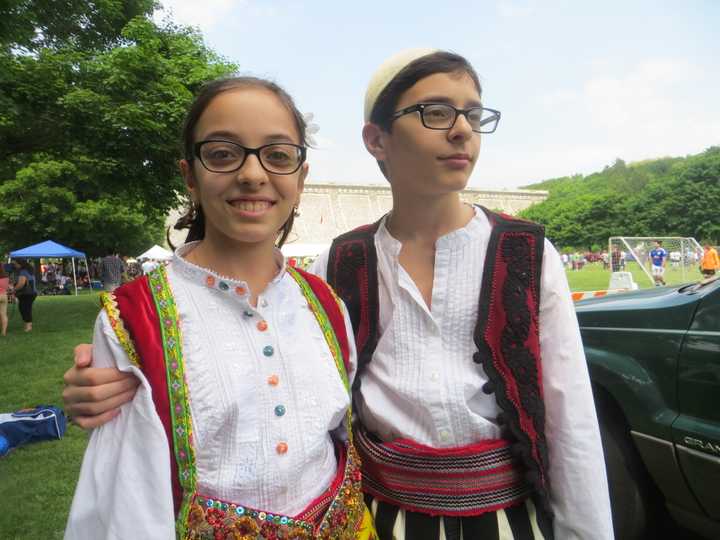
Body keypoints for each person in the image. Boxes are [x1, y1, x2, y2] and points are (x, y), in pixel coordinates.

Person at [64, 50, 613, 539]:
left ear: (300, 175)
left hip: (503, 518)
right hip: (384, 512)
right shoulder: (340, 266)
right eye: (437, 113)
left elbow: (572, 421)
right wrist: (109, 381)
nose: (462, 130)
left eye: (474, 114)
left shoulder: (525, 254)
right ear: (376, 139)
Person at [64, 76, 375, 540]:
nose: (253, 174)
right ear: (190, 175)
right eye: (224, 153)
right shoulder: (134, 319)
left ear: (300, 177)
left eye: (277, 154)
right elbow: (127, 498)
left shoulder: (324, 303)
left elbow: (339, 438)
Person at [12, 259, 37, 332]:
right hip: (31, 293)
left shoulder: (23, 272)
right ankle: (27, 325)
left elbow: (21, 284)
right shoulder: (29, 270)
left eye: (15, 264)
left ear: (20, 264)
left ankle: (28, 326)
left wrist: (13, 289)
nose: (15, 266)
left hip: (26, 293)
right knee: (24, 308)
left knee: (25, 309)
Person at [0, 266, 9, 336]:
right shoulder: (6, 277)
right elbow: (7, 287)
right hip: (4, 296)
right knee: (3, 315)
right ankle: (3, 332)